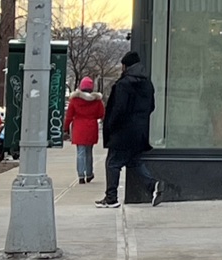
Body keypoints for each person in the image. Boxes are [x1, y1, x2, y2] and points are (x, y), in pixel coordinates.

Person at [95, 51, 164, 208]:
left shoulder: (123, 85)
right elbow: (151, 107)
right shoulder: (147, 84)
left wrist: (111, 127)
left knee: (113, 163)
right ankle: (153, 185)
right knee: (133, 162)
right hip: (139, 132)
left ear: (126, 66)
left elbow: (118, 110)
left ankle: (111, 197)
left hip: (122, 133)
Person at [63, 76, 105, 184]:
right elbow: (101, 114)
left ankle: (81, 176)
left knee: (80, 152)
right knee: (89, 152)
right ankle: (89, 174)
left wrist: (66, 128)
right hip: (91, 127)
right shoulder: (97, 101)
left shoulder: (75, 100)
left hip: (79, 127)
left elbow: (69, 116)